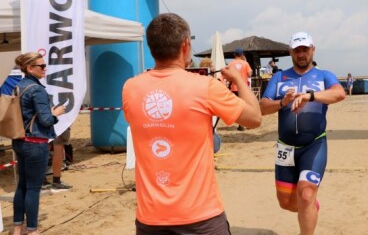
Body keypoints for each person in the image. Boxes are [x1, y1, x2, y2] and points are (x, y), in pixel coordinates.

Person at [122, 13, 261, 235]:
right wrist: (237, 80)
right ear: (185, 44)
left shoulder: (130, 88)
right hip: (200, 216)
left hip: (151, 217)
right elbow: (254, 118)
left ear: (151, 48)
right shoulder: (205, 87)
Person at [260, 31, 345, 235]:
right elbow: (262, 106)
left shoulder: (324, 75)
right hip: (286, 147)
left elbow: (339, 93)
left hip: (313, 145)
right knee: (286, 202)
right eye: (297, 50)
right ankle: (310, 207)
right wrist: (283, 102)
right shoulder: (279, 77)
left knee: (306, 195)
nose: (301, 54)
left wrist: (310, 96)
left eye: (305, 49)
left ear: (312, 50)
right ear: (290, 52)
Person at [13, 52, 66, 235]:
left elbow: (28, 114)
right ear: (29, 68)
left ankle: (17, 228)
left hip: (20, 141)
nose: (45, 69)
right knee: (33, 188)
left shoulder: (19, 86)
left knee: (22, 185)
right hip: (36, 143)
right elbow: (45, 120)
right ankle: (33, 230)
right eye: (41, 66)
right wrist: (55, 113)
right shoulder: (37, 89)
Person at [228, 47, 253, 131]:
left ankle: (241, 124)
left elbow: (228, 77)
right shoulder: (245, 64)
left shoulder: (231, 64)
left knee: (238, 107)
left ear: (234, 55)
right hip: (244, 88)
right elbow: (249, 74)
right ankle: (247, 124)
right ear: (242, 55)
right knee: (246, 106)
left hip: (234, 88)